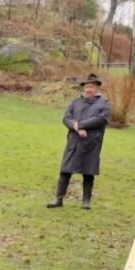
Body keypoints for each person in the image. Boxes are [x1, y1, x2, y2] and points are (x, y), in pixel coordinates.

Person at [47, 73, 112, 209]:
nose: (89, 89)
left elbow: (102, 119)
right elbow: (66, 118)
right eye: (87, 87)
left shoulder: (104, 103)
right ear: (83, 88)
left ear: (97, 88)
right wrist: (75, 127)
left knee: (88, 172)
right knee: (65, 170)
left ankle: (86, 201)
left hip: (92, 143)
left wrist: (81, 125)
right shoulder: (75, 102)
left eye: (92, 87)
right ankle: (58, 199)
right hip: (74, 141)